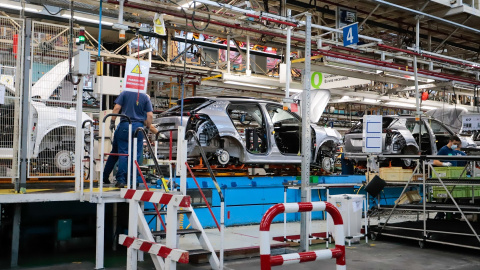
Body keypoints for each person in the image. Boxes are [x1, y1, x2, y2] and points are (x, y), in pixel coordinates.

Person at [107, 90, 153, 188]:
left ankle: (121, 181)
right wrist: (148, 128)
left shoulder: (125, 93)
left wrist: (112, 121)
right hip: (139, 127)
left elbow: (116, 108)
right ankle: (133, 181)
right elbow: (150, 115)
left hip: (125, 126)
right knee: (135, 155)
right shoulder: (145, 97)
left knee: (123, 153)